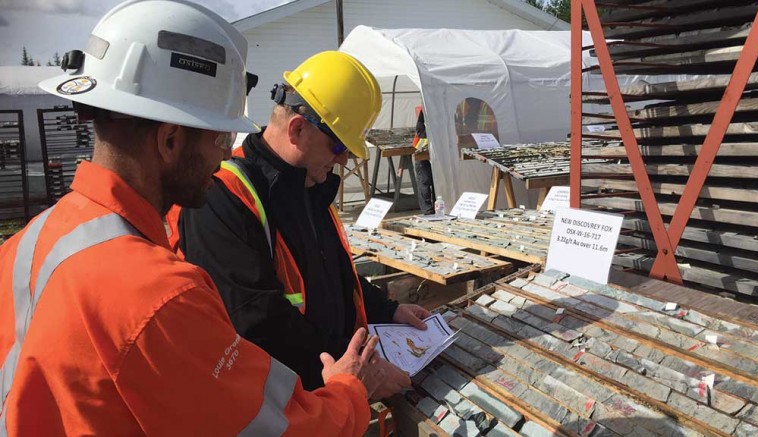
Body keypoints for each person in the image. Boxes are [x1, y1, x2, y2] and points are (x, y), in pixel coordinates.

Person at [0, 1, 383, 435]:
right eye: (219, 136)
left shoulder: (26, 244)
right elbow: (273, 428)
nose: (224, 154)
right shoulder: (160, 297)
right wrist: (350, 389)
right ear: (170, 141)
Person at [169, 51, 432, 396]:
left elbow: (338, 275)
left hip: (331, 394)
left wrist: (389, 310)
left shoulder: (309, 184)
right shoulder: (222, 195)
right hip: (282, 402)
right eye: (339, 146)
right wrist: (360, 371)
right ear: (297, 129)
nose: (343, 160)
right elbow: (257, 323)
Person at [412, 108, 435, 215]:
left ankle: (431, 208)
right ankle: (428, 209)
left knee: (427, 179)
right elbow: (420, 128)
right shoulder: (428, 105)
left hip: (426, 143)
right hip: (423, 144)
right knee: (424, 178)